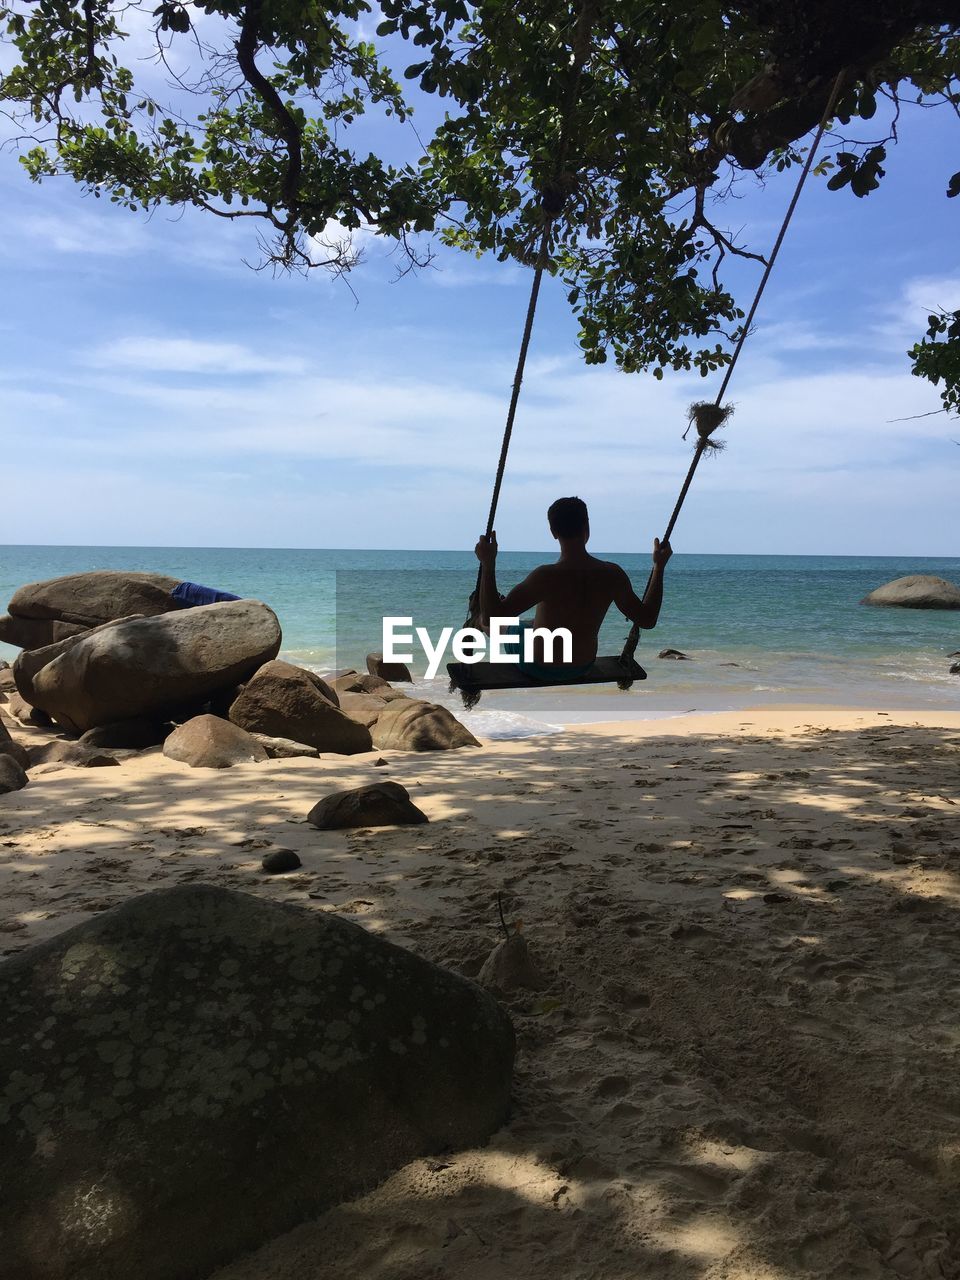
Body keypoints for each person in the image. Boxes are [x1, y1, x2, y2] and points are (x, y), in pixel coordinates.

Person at [474, 496, 672, 668]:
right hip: (582, 665)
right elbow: (647, 620)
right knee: (534, 624)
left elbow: (494, 617)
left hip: (538, 666)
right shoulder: (612, 574)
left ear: (553, 532)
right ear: (587, 527)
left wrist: (488, 563)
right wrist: (659, 566)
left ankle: (477, 622)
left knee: (495, 623)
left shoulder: (545, 576)